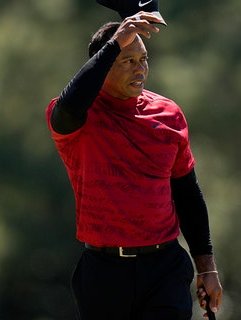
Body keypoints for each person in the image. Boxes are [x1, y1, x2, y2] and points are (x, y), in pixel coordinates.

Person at [45, 12, 223, 320]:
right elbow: (69, 104)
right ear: (103, 65)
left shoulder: (169, 115)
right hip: (104, 274)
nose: (140, 69)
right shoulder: (78, 119)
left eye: (143, 59)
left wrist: (206, 266)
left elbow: (188, 194)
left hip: (164, 268)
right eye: (127, 61)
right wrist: (115, 43)